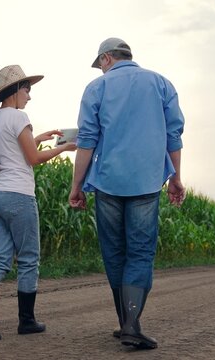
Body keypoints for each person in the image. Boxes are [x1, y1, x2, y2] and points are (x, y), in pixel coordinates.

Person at [68, 38, 186, 350]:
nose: (101, 69)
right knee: (141, 252)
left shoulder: (97, 88)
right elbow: (173, 134)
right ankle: (131, 324)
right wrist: (175, 177)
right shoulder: (161, 83)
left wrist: (76, 186)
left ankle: (127, 323)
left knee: (115, 253)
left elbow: (87, 140)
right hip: (147, 182)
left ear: (107, 58)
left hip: (108, 182)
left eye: (100, 63)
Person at [0, 65, 77, 341]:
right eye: (27, 89)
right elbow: (33, 159)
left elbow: (14, 151)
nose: (29, 95)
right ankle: (26, 321)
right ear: (15, 90)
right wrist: (65, 147)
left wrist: (38, 138)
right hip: (18, 197)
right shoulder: (18, 116)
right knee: (28, 259)